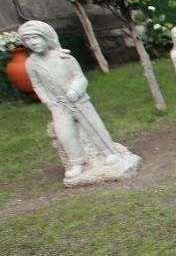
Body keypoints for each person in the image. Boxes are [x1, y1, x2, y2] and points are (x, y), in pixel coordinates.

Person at [18, 20, 121, 179]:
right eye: (28, 40)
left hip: (78, 100)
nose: (33, 43)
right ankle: (77, 162)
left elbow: (80, 77)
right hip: (58, 105)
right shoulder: (31, 63)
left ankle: (108, 152)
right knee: (65, 134)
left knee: (93, 126)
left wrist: (74, 92)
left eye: (35, 38)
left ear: (46, 37)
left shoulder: (64, 57)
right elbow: (37, 85)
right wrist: (48, 101)